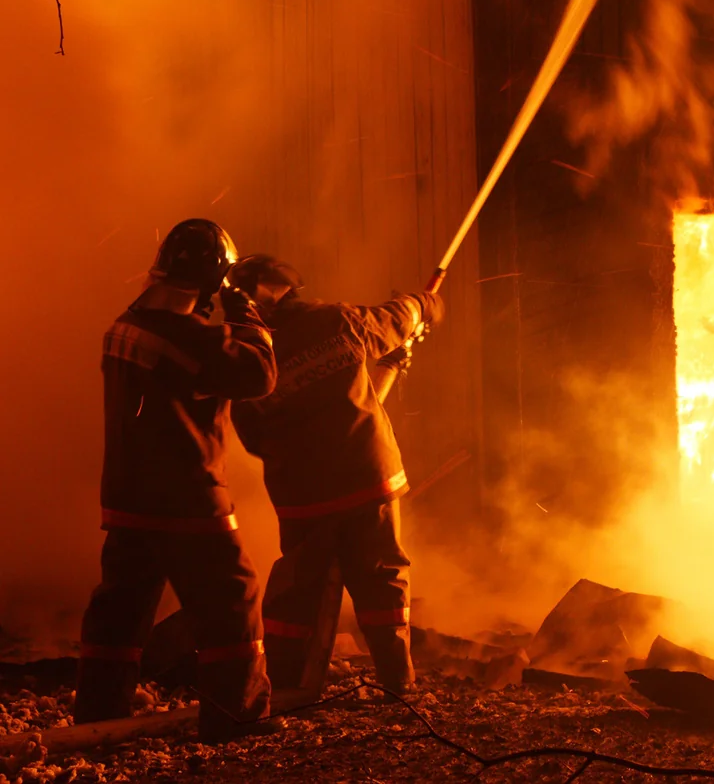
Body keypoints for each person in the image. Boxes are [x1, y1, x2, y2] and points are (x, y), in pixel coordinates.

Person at [76, 219, 279, 742]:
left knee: (120, 614)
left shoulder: (124, 324)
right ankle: (236, 719)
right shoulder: (190, 339)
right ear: (213, 283)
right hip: (188, 501)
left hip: (129, 499)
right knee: (233, 602)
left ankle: (99, 720)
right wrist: (245, 310)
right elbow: (259, 374)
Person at [226, 255, 444, 696]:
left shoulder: (245, 356)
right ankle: (398, 683)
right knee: (382, 579)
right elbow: (397, 317)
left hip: (303, 496)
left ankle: (286, 686)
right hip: (368, 479)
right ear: (289, 287)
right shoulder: (338, 321)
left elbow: (251, 437)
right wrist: (425, 304)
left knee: (296, 592)